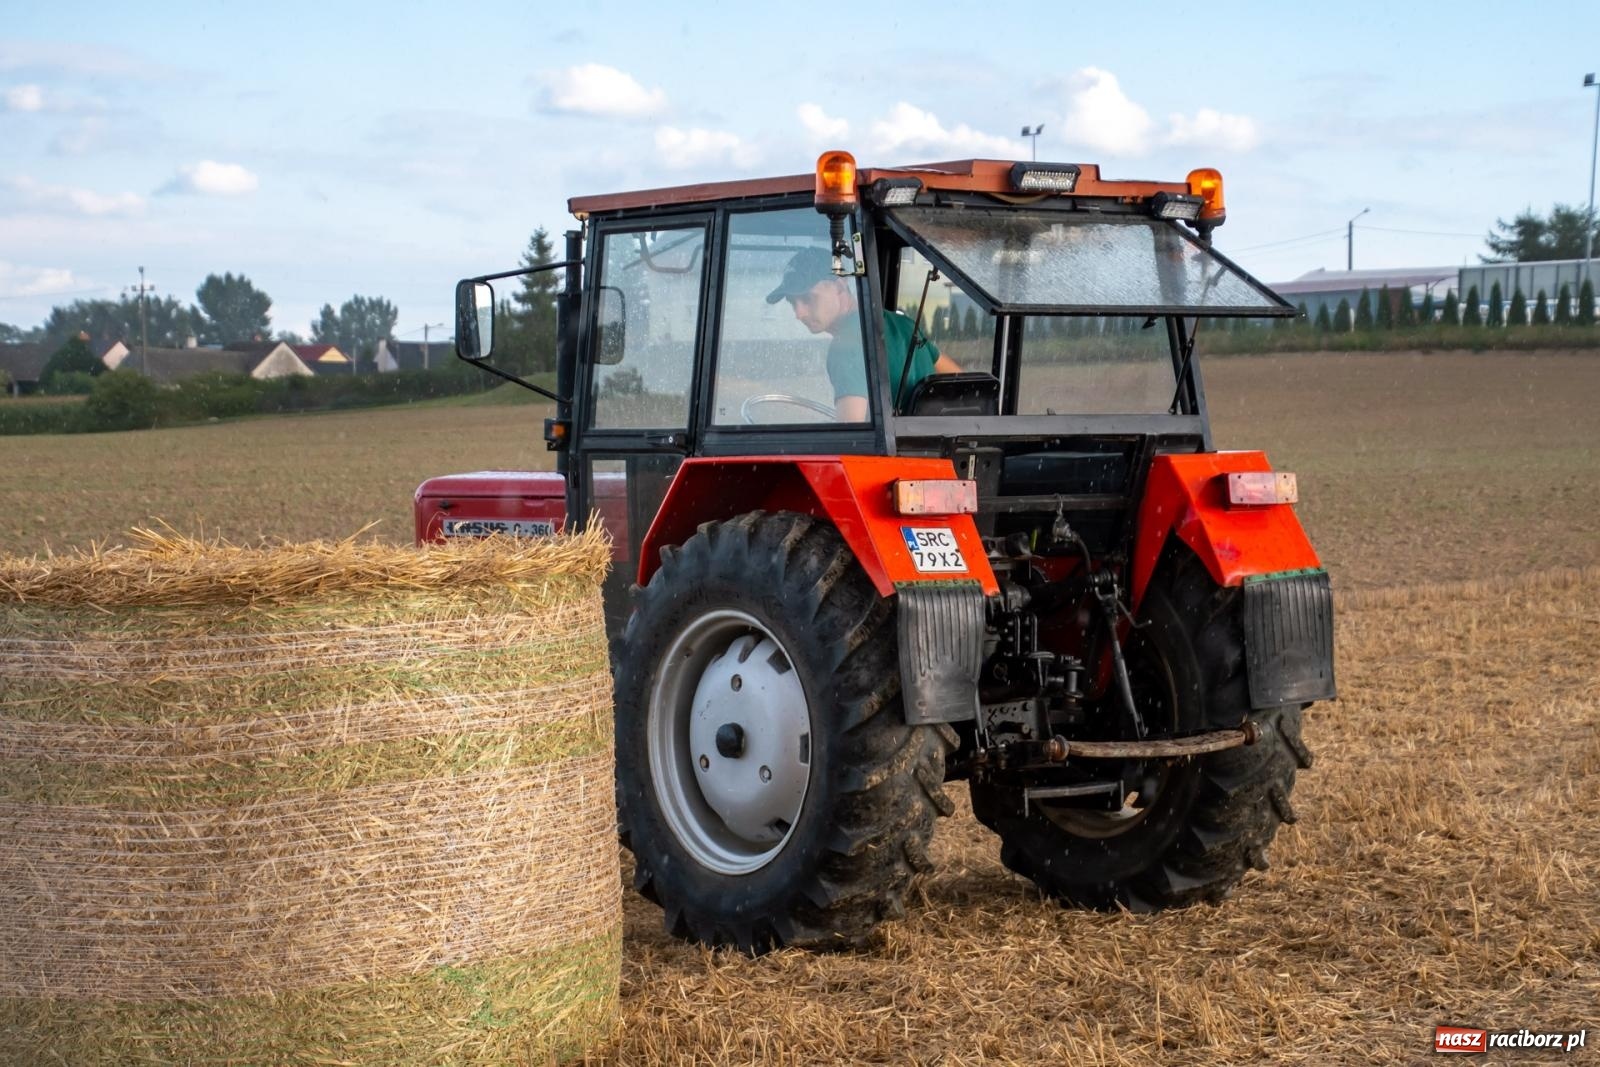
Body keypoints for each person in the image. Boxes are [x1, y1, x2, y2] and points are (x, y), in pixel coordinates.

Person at [766, 248, 961, 422]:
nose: (799, 314)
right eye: (793, 303)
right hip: (930, 457)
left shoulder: (846, 346)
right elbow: (961, 380)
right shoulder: (904, 325)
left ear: (840, 286)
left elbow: (852, 438)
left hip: (892, 461)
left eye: (808, 299)